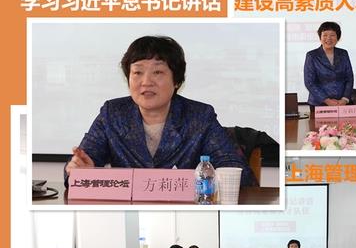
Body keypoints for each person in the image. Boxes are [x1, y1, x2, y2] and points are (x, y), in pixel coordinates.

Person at [64, 35, 256, 187]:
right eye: (137, 72)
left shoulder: (199, 116)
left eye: (157, 72)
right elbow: (80, 163)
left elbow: (238, 173)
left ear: (177, 81)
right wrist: (79, 170)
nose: (146, 81)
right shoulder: (112, 114)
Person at [304, 22, 354, 109]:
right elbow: (309, 82)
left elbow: (349, 78)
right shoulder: (312, 55)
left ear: (338, 38)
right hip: (319, 103)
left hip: (341, 102)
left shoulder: (343, 53)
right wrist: (327, 100)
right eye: (325, 35)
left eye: (332, 35)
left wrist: (344, 99)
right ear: (320, 37)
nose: (328, 38)